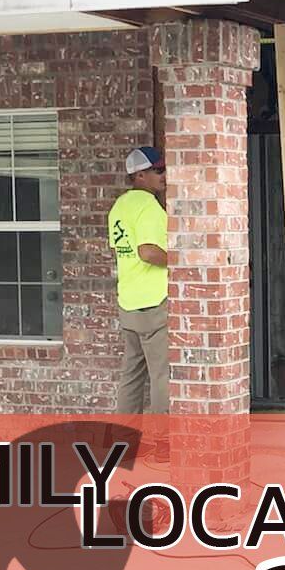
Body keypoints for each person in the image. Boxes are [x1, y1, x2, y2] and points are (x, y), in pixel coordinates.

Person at [109, 145, 170, 414]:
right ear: (139, 176)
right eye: (157, 170)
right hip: (154, 303)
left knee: (131, 376)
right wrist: (181, 262)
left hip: (129, 301)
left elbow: (118, 250)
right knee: (162, 377)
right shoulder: (149, 207)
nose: (164, 175)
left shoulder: (119, 206)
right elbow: (147, 252)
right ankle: (161, 445)